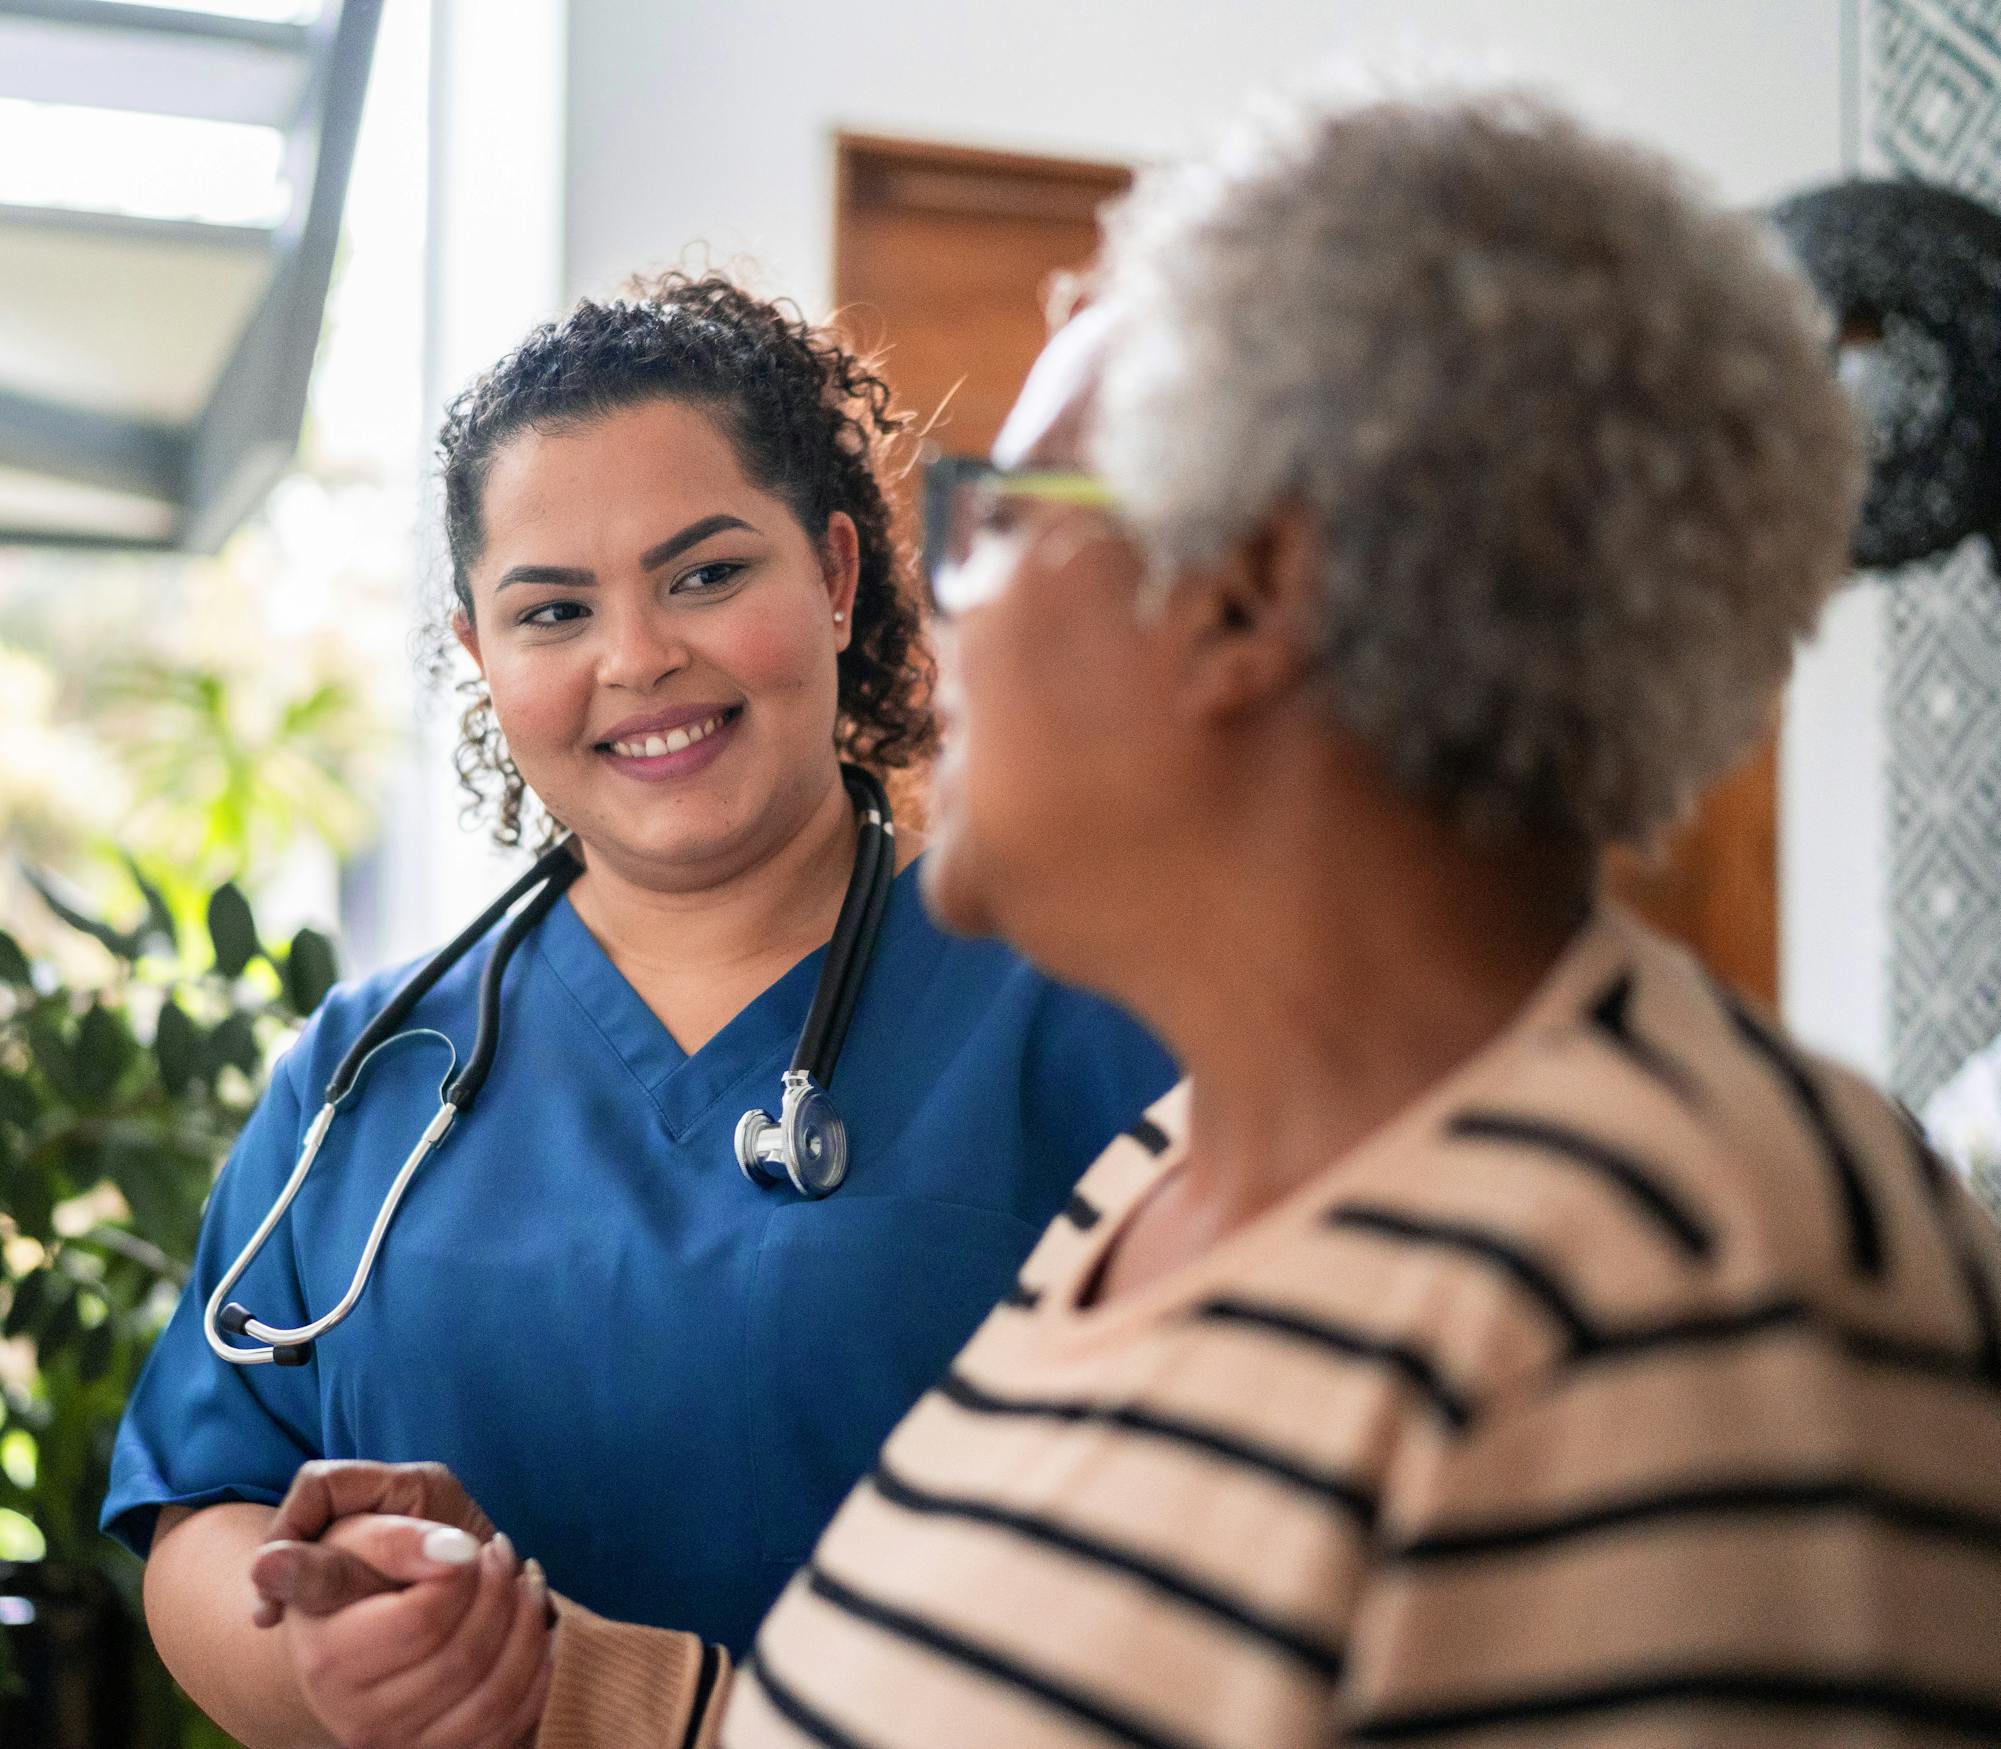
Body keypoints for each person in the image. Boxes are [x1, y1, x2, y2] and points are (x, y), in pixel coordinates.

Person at [247, 88, 2001, 1747]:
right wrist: (529, 1668)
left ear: (1244, 599)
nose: (940, 589)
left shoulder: (1687, 1270)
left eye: (1001, 518)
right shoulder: (1161, 1185)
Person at [101, 274, 1175, 1748]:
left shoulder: (1088, 1020)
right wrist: (366, 1671)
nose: (637, 658)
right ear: (482, 659)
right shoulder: (369, 1064)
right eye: (551, 610)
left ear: (839, 574)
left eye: (706, 574)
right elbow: (203, 1511)